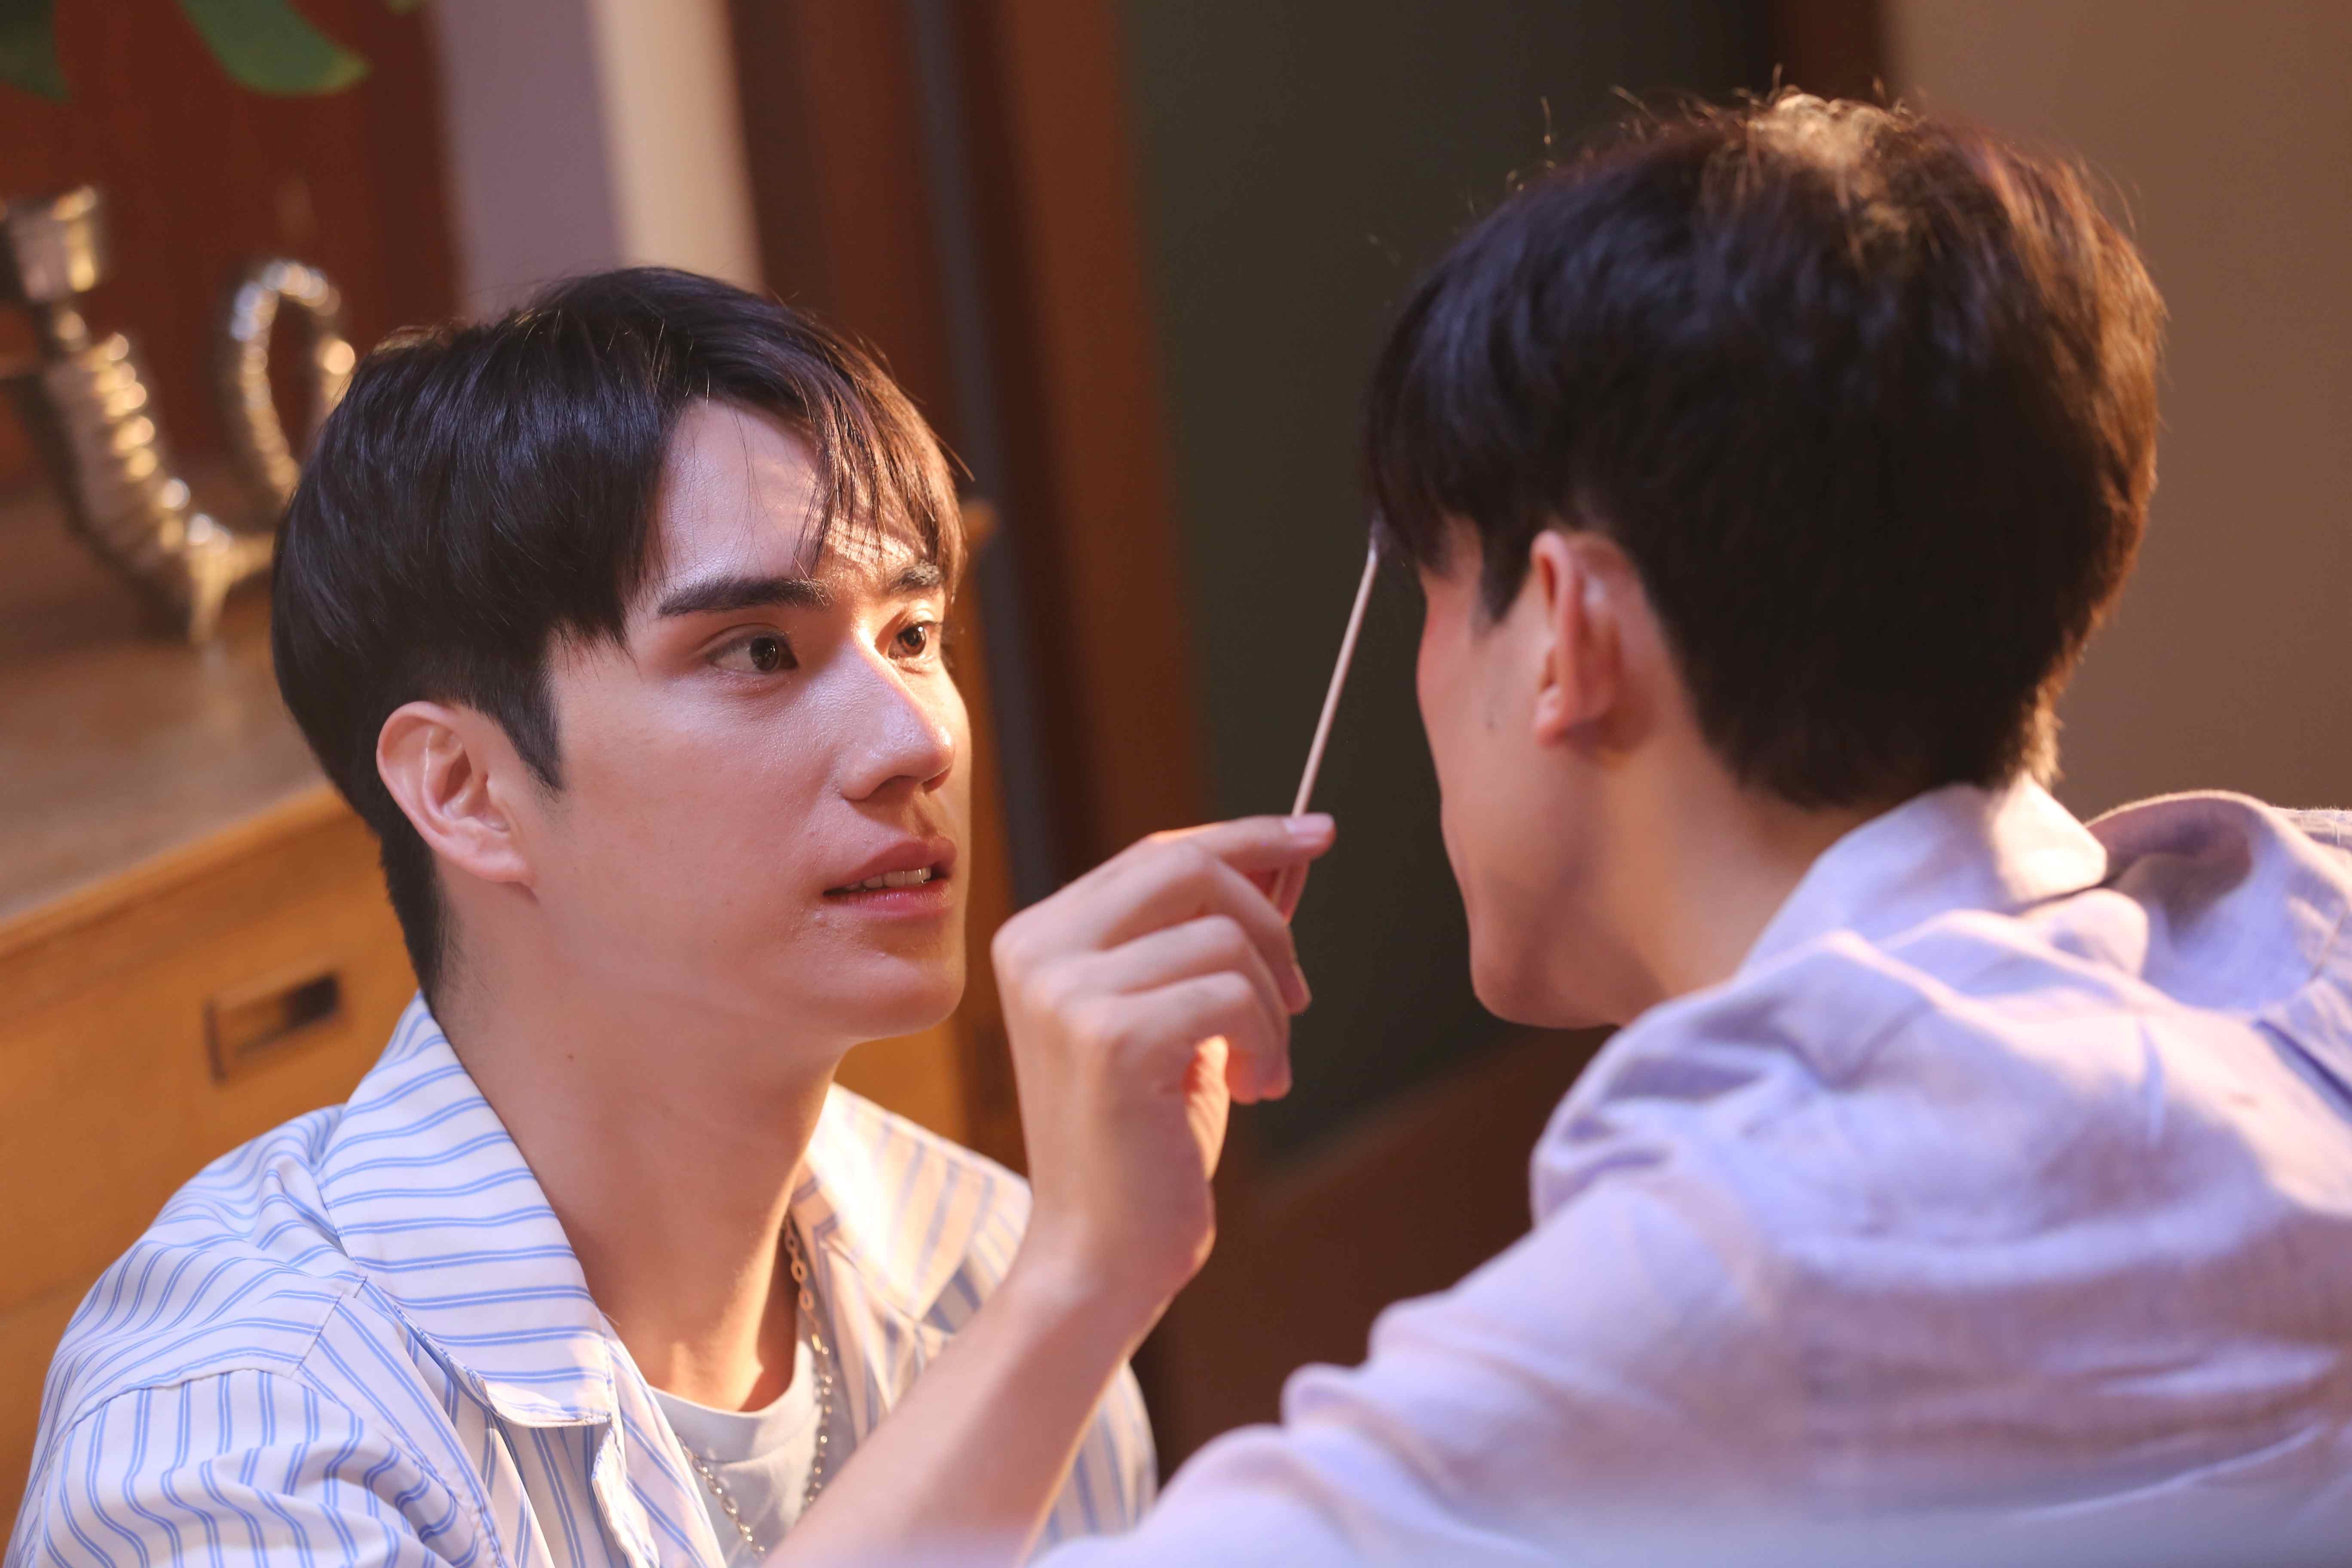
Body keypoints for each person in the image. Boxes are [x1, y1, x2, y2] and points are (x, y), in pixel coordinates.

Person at [998, 92, 2352, 1562]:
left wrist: (1072, 1271)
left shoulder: (1756, 1259)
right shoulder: (2314, 912)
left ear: (1567, 630)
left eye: (1437, 592)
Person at [4, 269, 1335, 1567]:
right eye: (759, 651)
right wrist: (1070, 1297)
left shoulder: (982, 1259)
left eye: (914, 634)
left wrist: (1061, 1291)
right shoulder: (236, 1443)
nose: (918, 740)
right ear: (465, 789)